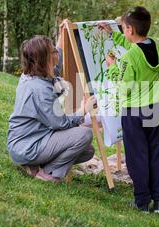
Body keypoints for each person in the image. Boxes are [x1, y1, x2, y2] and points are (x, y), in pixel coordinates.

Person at [7, 19, 97, 182]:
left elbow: (56, 63)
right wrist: (83, 110)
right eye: (52, 51)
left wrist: (63, 34)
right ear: (44, 59)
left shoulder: (33, 74)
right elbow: (60, 124)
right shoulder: (40, 89)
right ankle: (49, 174)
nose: (56, 52)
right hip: (28, 146)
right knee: (84, 134)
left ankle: (35, 165)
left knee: (87, 151)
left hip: (34, 140)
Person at [99, 6, 159, 213]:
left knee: (137, 157)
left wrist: (112, 67)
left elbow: (123, 86)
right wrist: (113, 35)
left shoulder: (129, 58)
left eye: (123, 28)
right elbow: (135, 49)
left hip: (134, 112)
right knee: (154, 154)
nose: (122, 31)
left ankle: (142, 202)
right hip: (154, 108)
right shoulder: (155, 45)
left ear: (130, 30)